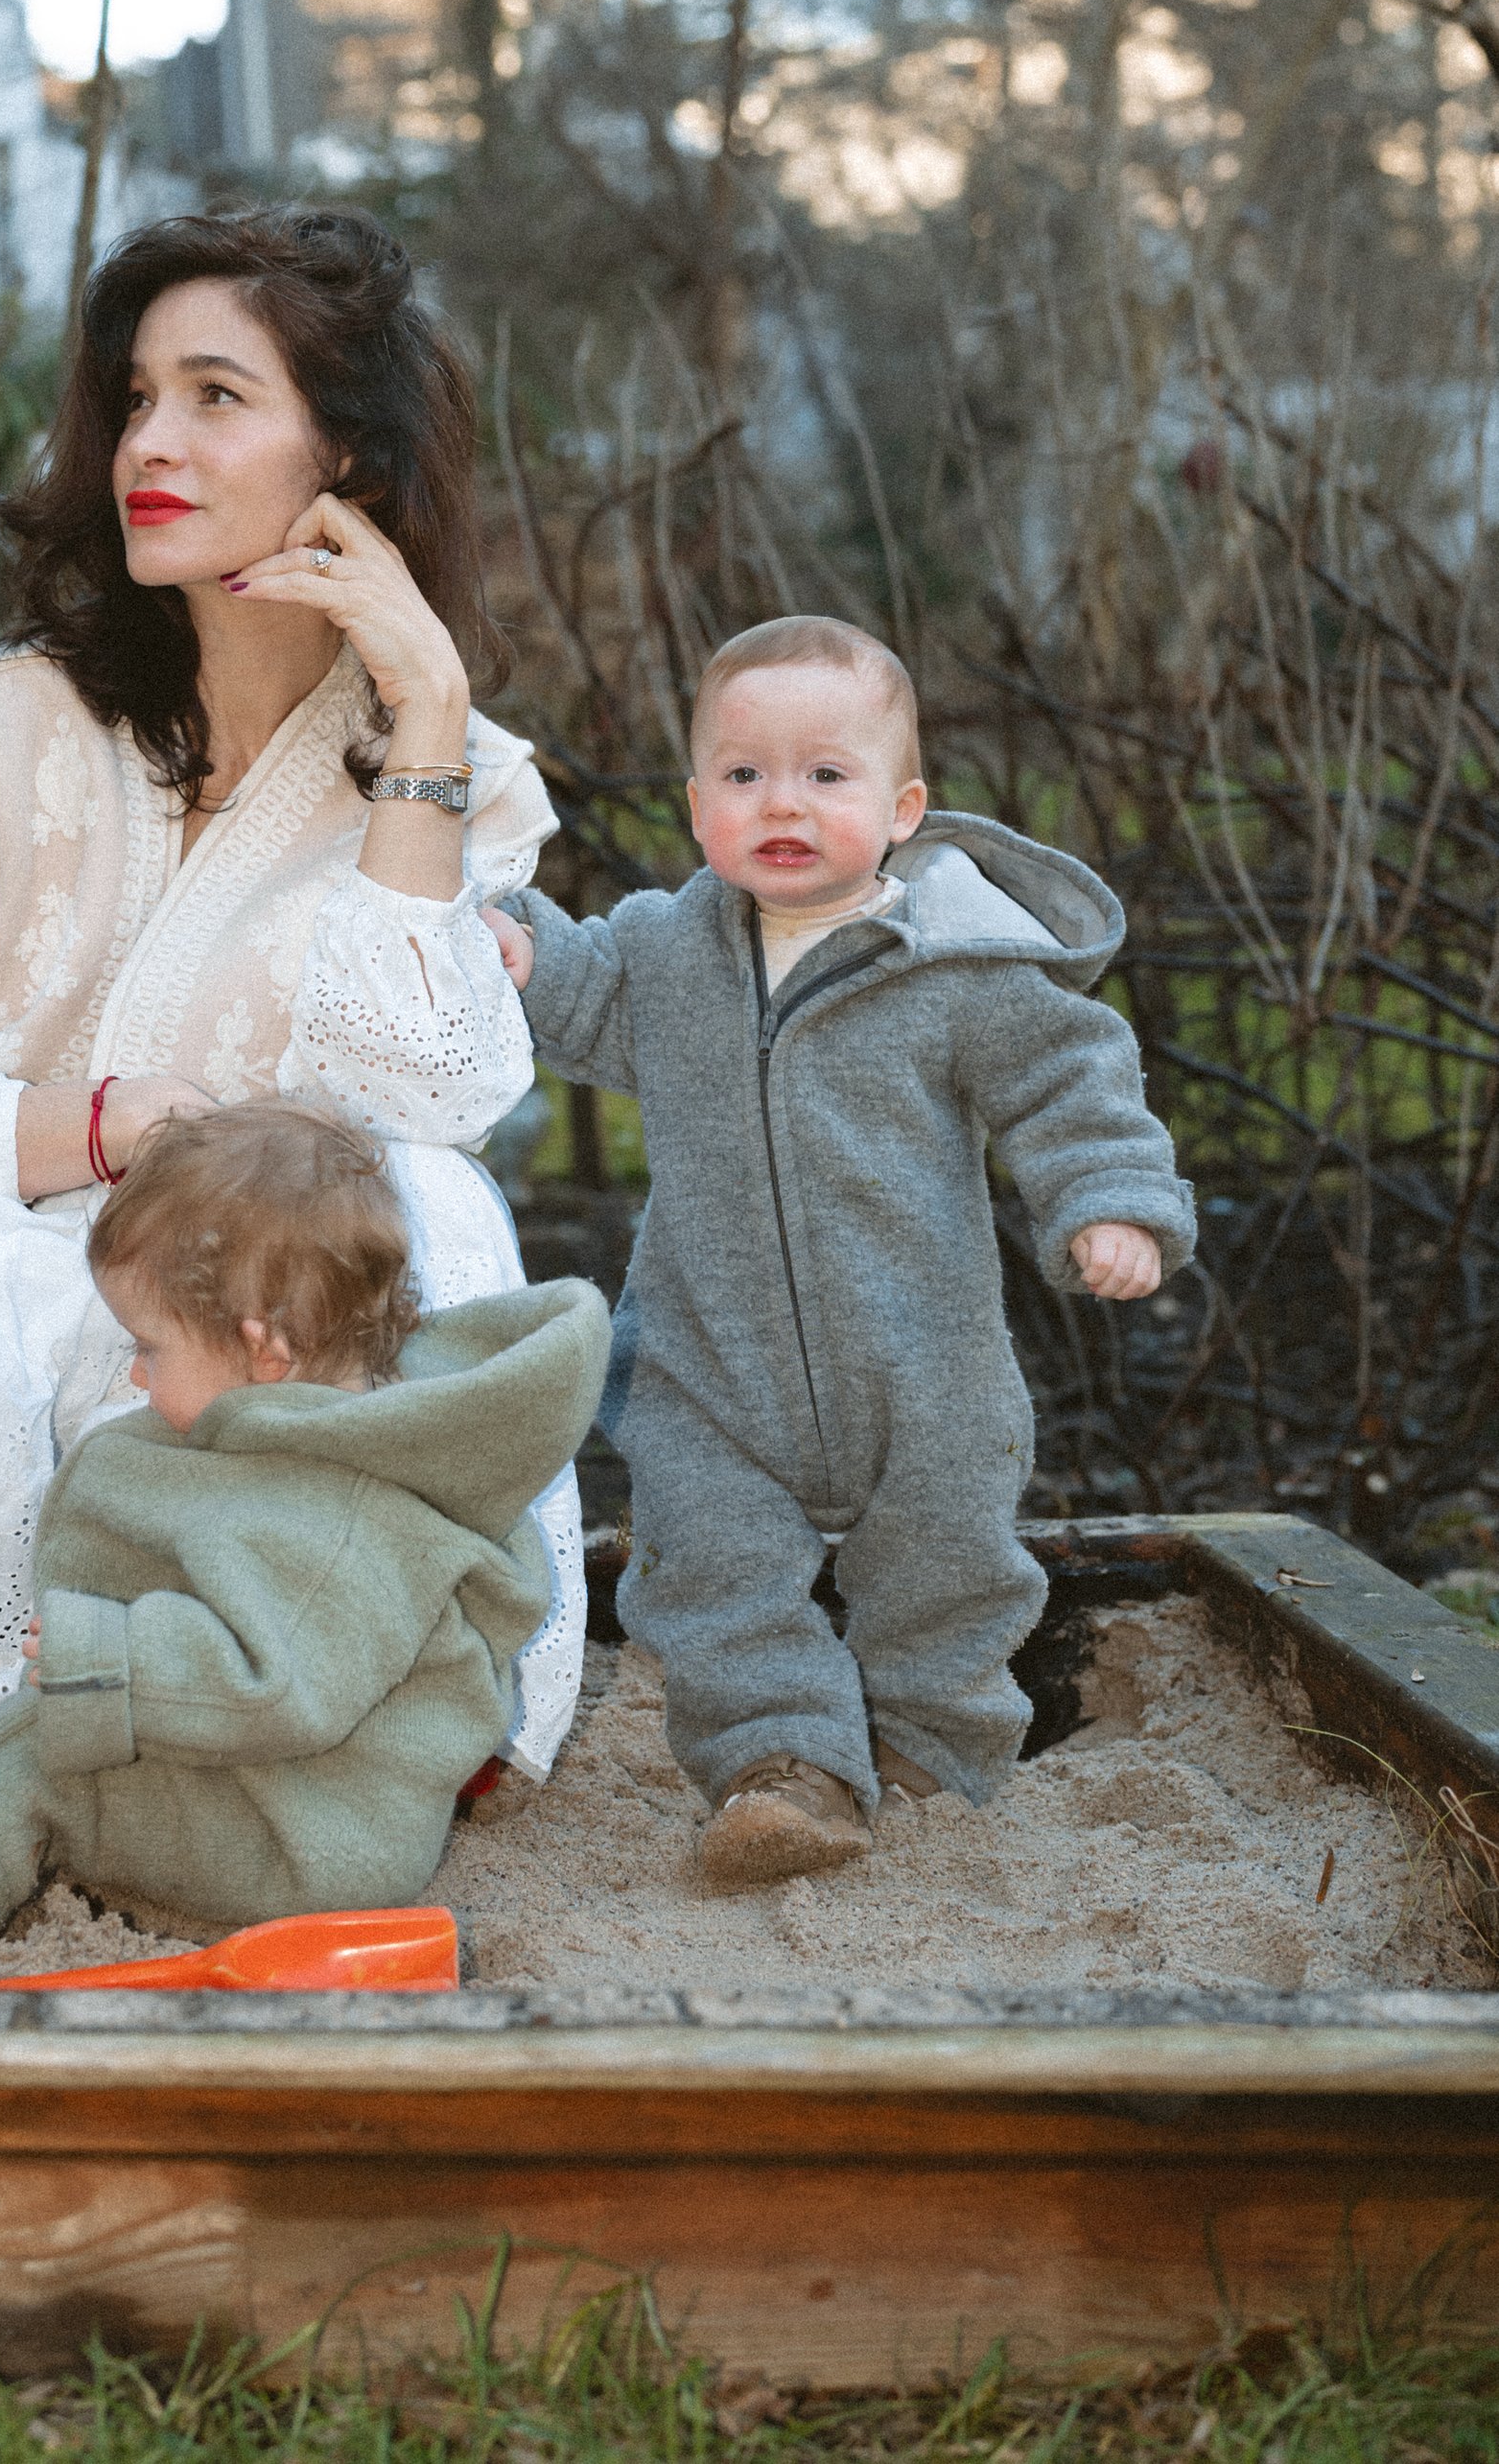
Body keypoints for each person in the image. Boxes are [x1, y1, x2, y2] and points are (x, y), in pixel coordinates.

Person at [0, 206, 586, 1776]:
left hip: (252, 1347)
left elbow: (418, 1103)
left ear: (349, 459)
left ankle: (365, 1716)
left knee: (440, 1207)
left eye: (214, 396)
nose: (148, 443)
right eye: (134, 399)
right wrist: (113, 1124)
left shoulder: (462, 775)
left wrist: (427, 716)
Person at [487, 614, 1195, 1893]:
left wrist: (1111, 1201)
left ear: (902, 807)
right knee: (709, 1576)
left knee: (947, 1574)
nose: (783, 802)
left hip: (921, 1364)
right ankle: (781, 1768)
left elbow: (1068, 1077)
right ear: (697, 804)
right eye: (743, 773)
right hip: (711, 1367)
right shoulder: (665, 952)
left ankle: (930, 1754)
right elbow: (580, 993)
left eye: (826, 773)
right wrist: (517, 943)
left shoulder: (954, 963)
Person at [0, 1102, 611, 1982]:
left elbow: (278, 1687)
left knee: (29, 1762)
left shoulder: (353, 1510)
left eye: (150, 1347)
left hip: (302, 1836)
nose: (138, 1377)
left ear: (265, 1346)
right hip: (270, 1787)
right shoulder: (306, 1434)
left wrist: (113, 1658)